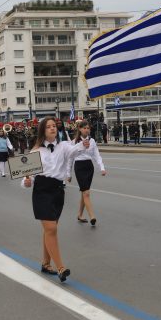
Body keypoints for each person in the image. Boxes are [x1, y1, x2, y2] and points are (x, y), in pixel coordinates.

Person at [22, 117, 89, 282]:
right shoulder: (35, 151)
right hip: (41, 191)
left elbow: (74, 151)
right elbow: (27, 177)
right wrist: (26, 182)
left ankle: (46, 264)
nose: (52, 128)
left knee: (50, 229)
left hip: (58, 191)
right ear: (43, 131)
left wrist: (83, 144)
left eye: (54, 126)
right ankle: (61, 268)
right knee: (51, 229)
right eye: (48, 127)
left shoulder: (63, 146)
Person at [66, 120, 106, 226]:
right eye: (84, 128)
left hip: (89, 167)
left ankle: (79, 215)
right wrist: (68, 174)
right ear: (80, 129)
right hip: (79, 167)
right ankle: (92, 216)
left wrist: (102, 168)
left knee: (84, 193)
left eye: (88, 128)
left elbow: (97, 155)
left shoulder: (92, 141)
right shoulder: (74, 142)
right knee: (86, 193)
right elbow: (70, 158)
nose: (87, 130)